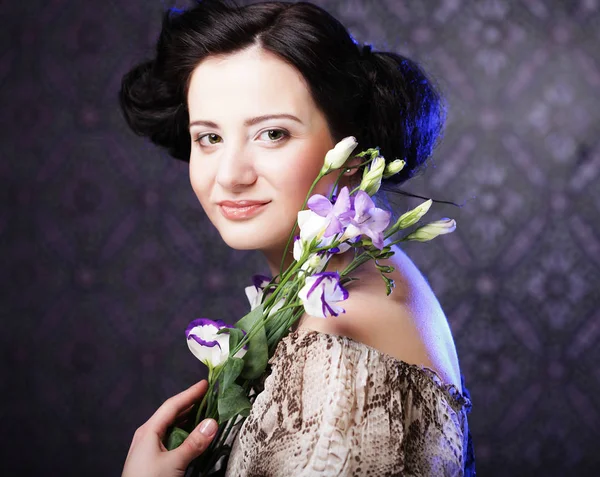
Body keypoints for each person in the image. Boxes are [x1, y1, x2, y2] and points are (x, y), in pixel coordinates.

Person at [119, 0, 476, 475]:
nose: (229, 175)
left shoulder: (341, 337)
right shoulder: (349, 279)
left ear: (352, 149)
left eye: (272, 134)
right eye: (208, 138)